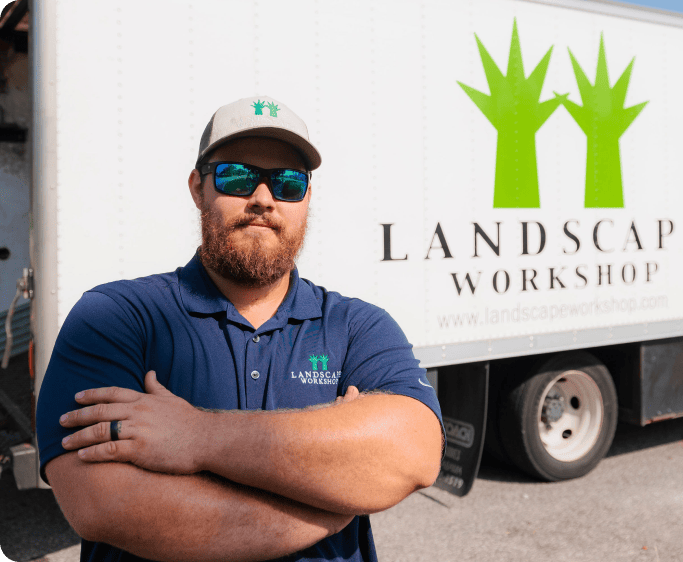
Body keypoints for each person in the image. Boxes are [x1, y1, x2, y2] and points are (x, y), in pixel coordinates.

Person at [34, 96, 444, 562]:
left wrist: (194, 436)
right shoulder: (117, 316)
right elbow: (102, 504)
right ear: (198, 188)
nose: (263, 199)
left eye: (289, 183)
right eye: (237, 176)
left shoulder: (357, 325)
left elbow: (414, 453)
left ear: (307, 198)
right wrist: (330, 504)